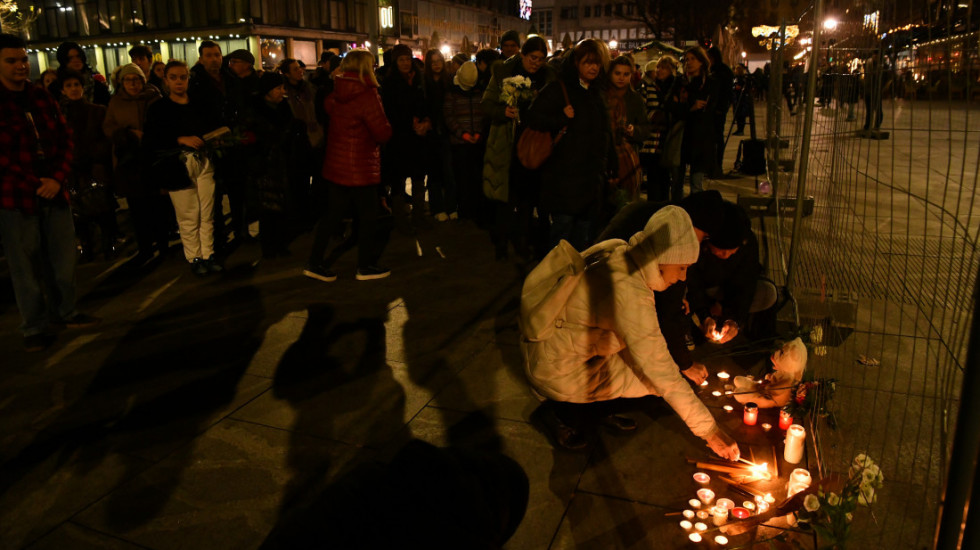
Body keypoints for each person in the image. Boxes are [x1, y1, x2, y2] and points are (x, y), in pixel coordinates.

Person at [522, 205, 740, 459]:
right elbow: (661, 372)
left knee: (654, 374)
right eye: (681, 267)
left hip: (563, 349)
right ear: (664, 256)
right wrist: (711, 433)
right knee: (657, 386)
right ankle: (563, 414)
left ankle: (595, 408)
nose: (683, 277)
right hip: (556, 368)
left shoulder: (620, 251)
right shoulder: (629, 290)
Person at [0, 33, 100, 351]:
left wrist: (56, 178)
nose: (20, 65)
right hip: (16, 197)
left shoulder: (40, 96)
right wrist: (36, 183)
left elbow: (64, 137)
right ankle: (34, 326)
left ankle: (65, 311)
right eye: (11, 60)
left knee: (62, 258)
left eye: (22, 58)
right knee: (25, 265)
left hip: (54, 190)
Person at [597, 190, 725, 386]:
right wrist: (684, 365)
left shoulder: (660, 218)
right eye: (705, 237)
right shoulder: (670, 236)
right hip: (594, 327)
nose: (701, 243)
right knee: (653, 383)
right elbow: (665, 316)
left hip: (602, 293)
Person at [305, 49, 393, 282]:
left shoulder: (337, 92)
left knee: (332, 216)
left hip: (337, 165)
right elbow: (382, 132)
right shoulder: (368, 94)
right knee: (368, 217)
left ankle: (314, 262)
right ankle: (364, 266)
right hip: (361, 166)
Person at [526, 38, 614, 251]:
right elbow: (533, 119)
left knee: (583, 236)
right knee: (562, 233)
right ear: (576, 63)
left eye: (597, 63)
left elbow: (604, 133)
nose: (593, 67)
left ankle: (573, 280)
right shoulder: (558, 89)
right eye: (588, 62)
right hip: (563, 177)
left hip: (590, 178)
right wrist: (561, 119)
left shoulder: (596, 92)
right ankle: (554, 277)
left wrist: (610, 165)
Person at [143, 60, 223, 276]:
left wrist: (214, 138)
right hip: (177, 166)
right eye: (174, 77)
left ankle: (208, 253)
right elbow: (152, 140)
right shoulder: (159, 108)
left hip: (204, 162)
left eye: (183, 77)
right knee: (188, 214)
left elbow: (212, 125)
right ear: (166, 80)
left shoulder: (199, 103)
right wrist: (180, 139)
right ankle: (194, 257)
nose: (179, 82)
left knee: (207, 212)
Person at [482, 35, 556, 260]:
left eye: (541, 59)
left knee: (527, 198)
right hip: (507, 141)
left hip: (534, 143)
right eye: (533, 57)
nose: (536, 63)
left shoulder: (547, 78)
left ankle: (522, 240)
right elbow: (486, 104)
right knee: (506, 197)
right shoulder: (503, 73)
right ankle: (502, 241)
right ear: (522, 55)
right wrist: (502, 112)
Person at [687, 200, 778, 344]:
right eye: (722, 251)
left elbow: (746, 284)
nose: (726, 255)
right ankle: (692, 328)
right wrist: (704, 314)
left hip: (726, 292)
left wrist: (734, 319)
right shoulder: (697, 239)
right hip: (702, 290)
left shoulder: (747, 242)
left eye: (732, 251)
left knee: (767, 293)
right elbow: (692, 281)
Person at [103, 63, 166, 264]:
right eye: (129, 80)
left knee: (158, 206)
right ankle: (145, 247)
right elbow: (109, 128)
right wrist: (129, 134)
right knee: (138, 210)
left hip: (151, 158)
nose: (133, 83)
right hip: (130, 162)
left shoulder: (155, 97)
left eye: (137, 79)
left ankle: (163, 244)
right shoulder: (115, 102)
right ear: (122, 82)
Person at [246, 72, 308, 259]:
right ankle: (269, 245)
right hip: (265, 165)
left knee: (282, 204)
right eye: (278, 88)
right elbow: (252, 138)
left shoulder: (284, 108)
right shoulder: (255, 110)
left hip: (284, 163)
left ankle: (280, 242)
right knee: (268, 207)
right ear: (267, 90)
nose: (282, 91)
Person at [58, 70, 116, 261]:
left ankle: (109, 245)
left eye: (76, 85)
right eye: (69, 86)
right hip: (73, 169)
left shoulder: (97, 110)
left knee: (103, 209)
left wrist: (92, 155)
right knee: (80, 213)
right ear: (63, 90)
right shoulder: (60, 115)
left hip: (96, 167)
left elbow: (106, 139)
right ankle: (88, 247)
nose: (74, 89)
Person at [381, 44, 430, 228]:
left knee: (418, 178)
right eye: (401, 59)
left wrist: (425, 121)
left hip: (417, 138)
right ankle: (400, 220)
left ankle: (419, 217)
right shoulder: (389, 82)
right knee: (398, 181)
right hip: (399, 139)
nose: (405, 63)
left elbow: (424, 103)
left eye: (408, 59)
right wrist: (409, 122)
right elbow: (389, 110)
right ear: (395, 62)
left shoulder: (418, 79)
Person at [443, 61, 489, 223]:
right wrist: (462, 134)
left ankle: (475, 210)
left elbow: (482, 114)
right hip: (459, 143)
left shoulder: (479, 91)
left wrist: (477, 133)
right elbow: (449, 116)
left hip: (476, 141)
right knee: (461, 178)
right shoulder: (451, 92)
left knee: (476, 177)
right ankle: (464, 210)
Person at [605, 55, 650, 206]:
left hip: (628, 155)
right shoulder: (602, 96)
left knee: (627, 202)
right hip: (606, 154)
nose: (621, 78)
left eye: (625, 74)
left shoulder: (635, 99)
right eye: (617, 73)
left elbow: (645, 129)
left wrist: (634, 130)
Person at [639, 56, 683, 202]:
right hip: (651, 141)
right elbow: (643, 110)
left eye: (663, 67)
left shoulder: (675, 88)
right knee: (653, 177)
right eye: (658, 67)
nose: (659, 70)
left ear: (672, 70)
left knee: (665, 178)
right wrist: (657, 115)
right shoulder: (650, 87)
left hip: (668, 139)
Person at [677, 46, 718, 198]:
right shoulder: (682, 82)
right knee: (677, 182)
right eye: (687, 60)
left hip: (701, 137)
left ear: (701, 62)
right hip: (683, 135)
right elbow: (675, 107)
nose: (689, 63)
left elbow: (712, 107)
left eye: (693, 59)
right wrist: (691, 108)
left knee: (696, 182)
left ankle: (696, 213)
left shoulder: (710, 82)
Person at [422, 48, 455, 221]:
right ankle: (437, 208)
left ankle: (451, 206)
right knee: (434, 171)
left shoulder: (448, 81)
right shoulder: (424, 83)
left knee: (449, 171)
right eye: (433, 62)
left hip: (446, 131)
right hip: (430, 132)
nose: (436, 64)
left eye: (439, 61)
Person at [54, 41, 110, 106]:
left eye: (78, 56)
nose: (76, 60)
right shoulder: (55, 88)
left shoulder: (98, 87)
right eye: (70, 58)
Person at [707, 47, 734, 176]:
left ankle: (716, 165)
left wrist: (719, 108)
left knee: (716, 138)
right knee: (716, 138)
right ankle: (715, 165)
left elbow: (723, 92)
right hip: (718, 109)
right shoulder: (723, 71)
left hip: (716, 109)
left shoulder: (718, 72)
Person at [732, 64, 753, 136]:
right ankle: (739, 129)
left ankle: (741, 130)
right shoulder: (735, 78)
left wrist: (740, 88)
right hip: (736, 98)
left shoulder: (743, 78)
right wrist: (735, 88)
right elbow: (733, 85)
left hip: (742, 99)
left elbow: (747, 87)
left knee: (741, 115)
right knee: (737, 115)